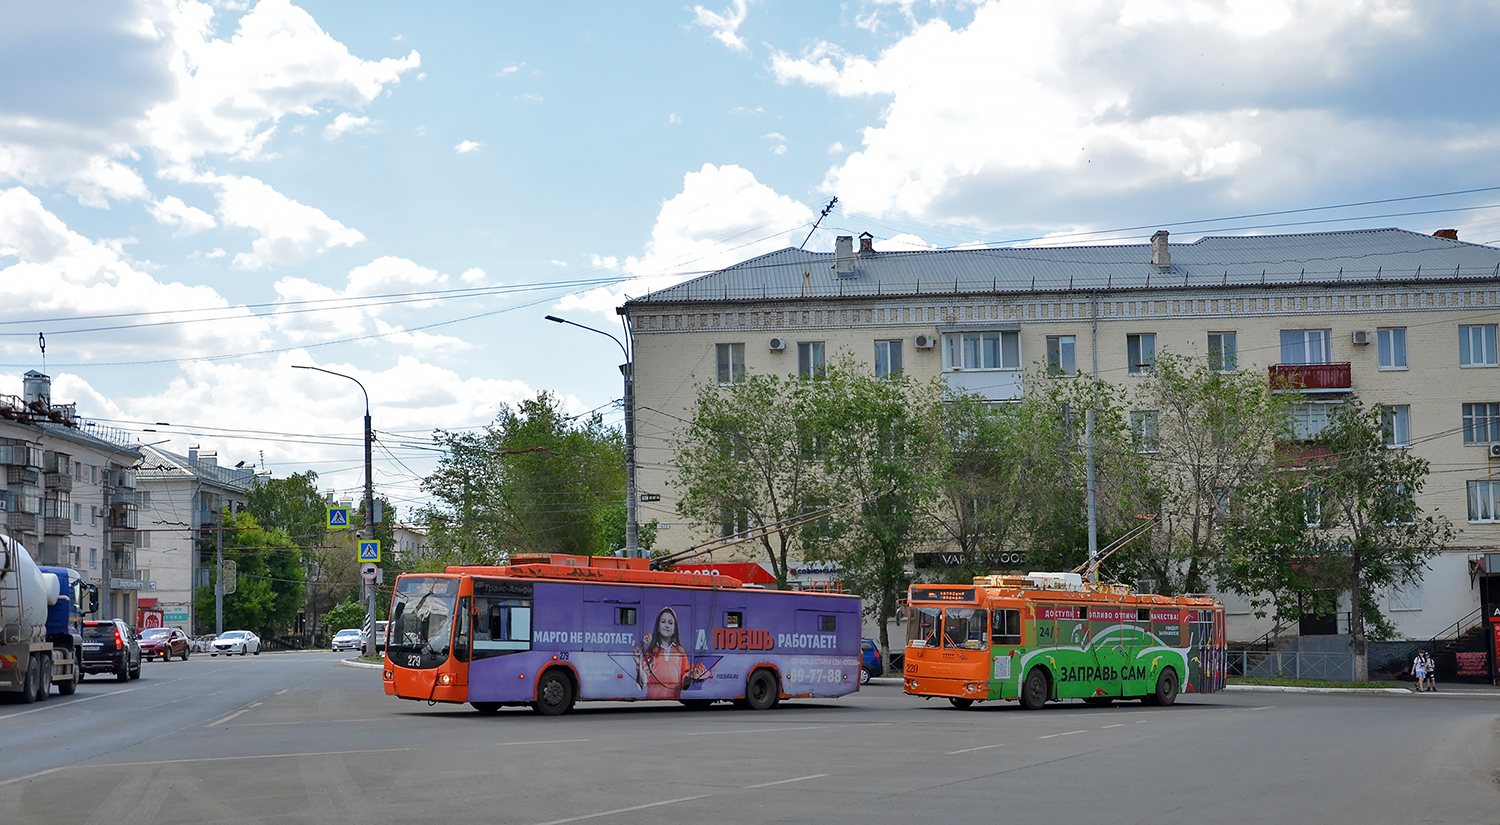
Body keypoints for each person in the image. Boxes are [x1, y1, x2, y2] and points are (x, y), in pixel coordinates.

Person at [634, 607, 703, 700]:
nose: (666, 626)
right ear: (658, 627)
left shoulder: (679, 651)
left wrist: (690, 676)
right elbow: (644, 682)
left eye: (670, 623)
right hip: (652, 697)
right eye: (663, 622)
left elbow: (684, 682)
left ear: (674, 629)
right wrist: (638, 664)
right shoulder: (650, 652)